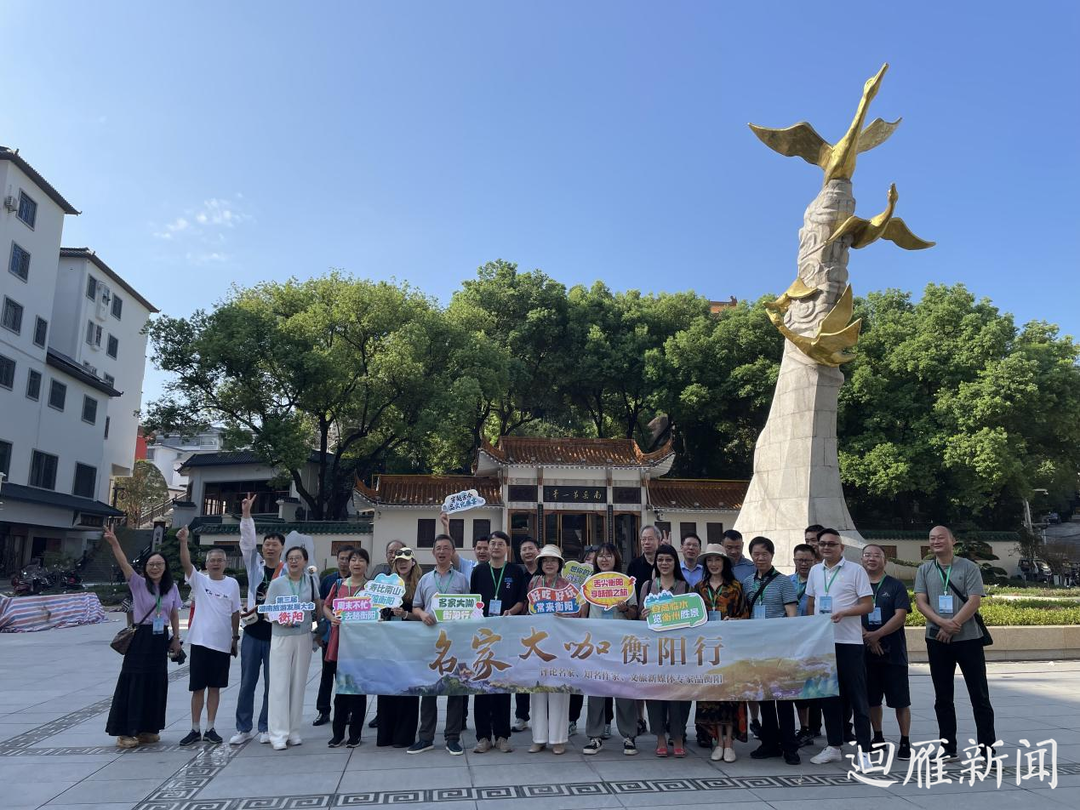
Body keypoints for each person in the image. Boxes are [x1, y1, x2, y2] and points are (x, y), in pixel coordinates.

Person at [232, 492, 312, 745]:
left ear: (282, 549)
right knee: (247, 681)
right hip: (254, 630)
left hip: (279, 632)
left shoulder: (289, 571)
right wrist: (246, 515)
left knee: (274, 682)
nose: (269, 547)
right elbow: (246, 543)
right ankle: (243, 727)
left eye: (275, 544)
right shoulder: (254, 563)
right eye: (266, 543)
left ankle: (267, 726)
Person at [914, 525, 995, 760]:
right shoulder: (925, 569)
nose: (936, 541)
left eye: (941, 537)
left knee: (979, 695)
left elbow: (974, 601)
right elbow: (921, 602)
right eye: (932, 538)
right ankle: (948, 747)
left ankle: (987, 748)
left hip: (968, 639)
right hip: (936, 639)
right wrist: (942, 623)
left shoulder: (968, 567)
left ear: (953, 541)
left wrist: (953, 625)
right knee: (943, 696)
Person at [103, 527, 182, 748]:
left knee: (155, 682)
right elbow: (124, 564)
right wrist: (115, 543)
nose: (155, 568)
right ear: (145, 568)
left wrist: (176, 637)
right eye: (151, 565)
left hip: (160, 638)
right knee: (134, 681)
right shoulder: (137, 583)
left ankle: (148, 728)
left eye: (159, 564)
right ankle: (126, 732)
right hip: (141, 638)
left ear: (165, 568)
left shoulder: (171, 588)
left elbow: (174, 613)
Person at [806, 528, 874, 767]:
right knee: (829, 698)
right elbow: (812, 603)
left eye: (832, 544)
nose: (826, 547)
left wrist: (845, 612)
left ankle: (864, 750)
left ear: (841, 548)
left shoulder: (855, 570)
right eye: (822, 544)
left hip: (850, 643)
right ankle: (834, 745)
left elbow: (868, 605)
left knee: (857, 698)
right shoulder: (815, 571)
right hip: (824, 645)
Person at [177, 528, 240, 746]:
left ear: (225, 562)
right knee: (197, 688)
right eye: (212, 560)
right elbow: (186, 563)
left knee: (215, 687)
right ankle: (195, 728)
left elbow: (235, 612)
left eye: (219, 560)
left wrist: (234, 638)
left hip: (222, 644)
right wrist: (184, 542)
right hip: (201, 642)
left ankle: (211, 727)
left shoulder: (232, 584)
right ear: (206, 563)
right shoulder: (200, 581)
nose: (215, 563)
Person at [410, 535, 471, 756]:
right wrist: (423, 614)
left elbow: (470, 608)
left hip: (455, 641)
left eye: (447, 548)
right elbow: (416, 606)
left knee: (455, 688)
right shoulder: (426, 579)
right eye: (438, 548)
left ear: (453, 551)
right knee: (429, 688)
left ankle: (452, 738)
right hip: (431, 641)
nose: (442, 551)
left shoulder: (463, 579)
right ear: (433, 552)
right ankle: (425, 737)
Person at [742, 536, 801, 765]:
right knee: (764, 698)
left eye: (764, 554)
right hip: (756, 649)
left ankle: (789, 746)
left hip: (780, 649)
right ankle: (769, 743)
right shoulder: (747, 582)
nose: (760, 558)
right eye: (756, 554)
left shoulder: (784, 582)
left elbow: (792, 615)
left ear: (772, 555)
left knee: (783, 698)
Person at [470, 531, 526, 753]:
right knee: (482, 685)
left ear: (507, 548)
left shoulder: (515, 571)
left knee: (502, 685)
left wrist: (510, 612)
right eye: (492, 543)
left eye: (500, 544)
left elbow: (522, 600)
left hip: (506, 634)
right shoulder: (478, 571)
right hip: (482, 637)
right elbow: (471, 600)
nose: (495, 547)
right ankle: (483, 736)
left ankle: (502, 736)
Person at [581, 543, 639, 756]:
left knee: (624, 691)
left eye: (608, 556)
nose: (604, 559)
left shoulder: (626, 583)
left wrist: (624, 608)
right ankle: (594, 736)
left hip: (621, 644)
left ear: (616, 558)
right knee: (596, 691)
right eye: (600, 556)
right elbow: (582, 614)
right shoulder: (589, 583)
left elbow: (635, 613)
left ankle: (628, 736)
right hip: (596, 644)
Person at [695, 544, 748, 762]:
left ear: (724, 562)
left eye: (717, 560)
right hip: (707, 650)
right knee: (711, 696)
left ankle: (729, 742)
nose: (714, 564)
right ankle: (717, 740)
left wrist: (734, 621)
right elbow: (692, 617)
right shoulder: (699, 588)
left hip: (730, 649)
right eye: (710, 560)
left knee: (729, 696)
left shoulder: (735, 587)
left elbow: (746, 615)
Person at [266, 545, 322, 750]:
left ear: (305, 561)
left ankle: (294, 730)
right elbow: (267, 611)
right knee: (279, 685)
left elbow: (316, 606)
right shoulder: (278, 583)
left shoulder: (311, 580)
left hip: (303, 635)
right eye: (290, 558)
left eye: (298, 558)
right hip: (282, 635)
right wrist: (281, 619)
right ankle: (278, 734)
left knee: (298, 684)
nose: (294, 561)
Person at [861, 544, 913, 760]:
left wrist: (877, 635)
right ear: (862, 560)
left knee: (900, 700)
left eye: (877, 555)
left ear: (885, 560)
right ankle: (878, 736)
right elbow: (849, 613)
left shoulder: (895, 586)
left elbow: (901, 616)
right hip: (865, 651)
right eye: (867, 555)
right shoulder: (858, 585)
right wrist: (868, 637)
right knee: (872, 699)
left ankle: (904, 740)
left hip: (893, 652)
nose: (872, 559)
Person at [640, 543, 692, 757]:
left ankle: (678, 737)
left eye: (668, 560)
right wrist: (641, 616)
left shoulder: (686, 587)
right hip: (653, 652)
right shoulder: (647, 586)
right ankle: (660, 738)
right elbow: (637, 620)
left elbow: (694, 619)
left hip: (679, 652)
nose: (664, 563)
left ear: (675, 562)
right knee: (655, 695)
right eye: (660, 560)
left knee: (679, 696)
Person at [526, 545, 573, 755]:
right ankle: (538, 738)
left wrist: (566, 618)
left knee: (559, 690)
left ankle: (558, 739)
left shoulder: (568, 585)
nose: (549, 564)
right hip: (538, 642)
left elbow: (576, 614)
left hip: (560, 645)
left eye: (553, 560)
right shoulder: (534, 583)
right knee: (537, 691)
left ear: (560, 564)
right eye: (545, 561)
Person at [377, 547, 423, 748]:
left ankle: (403, 736)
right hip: (387, 642)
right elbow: (375, 609)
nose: (402, 564)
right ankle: (385, 734)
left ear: (413, 562)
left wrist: (405, 614)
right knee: (387, 687)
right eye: (398, 561)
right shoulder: (384, 584)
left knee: (408, 688)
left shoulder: (420, 585)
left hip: (410, 644)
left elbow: (422, 615)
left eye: (406, 560)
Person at [323, 548, 370, 748]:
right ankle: (338, 734)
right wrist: (332, 617)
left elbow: (378, 612)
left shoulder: (372, 587)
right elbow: (326, 606)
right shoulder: (339, 584)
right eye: (353, 560)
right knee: (341, 691)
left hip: (361, 646)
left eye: (361, 560)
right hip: (339, 643)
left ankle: (355, 734)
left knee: (358, 691)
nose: (356, 564)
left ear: (366, 564)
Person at [314, 546, 354, 727]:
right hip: (330, 636)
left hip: (352, 640)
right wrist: (319, 632)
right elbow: (322, 607)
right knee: (327, 675)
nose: (345, 562)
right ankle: (323, 711)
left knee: (346, 677)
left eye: (348, 559)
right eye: (342, 558)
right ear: (337, 559)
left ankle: (346, 712)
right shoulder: (329, 580)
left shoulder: (360, 582)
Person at [791, 543, 822, 747]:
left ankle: (812, 727)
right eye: (799, 560)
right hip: (793, 642)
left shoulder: (821, 582)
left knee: (814, 686)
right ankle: (803, 727)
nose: (803, 564)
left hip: (815, 641)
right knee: (796, 686)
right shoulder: (786, 582)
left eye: (807, 561)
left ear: (814, 561)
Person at [513, 536, 541, 732]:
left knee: (542, 673)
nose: (527, 552)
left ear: (538, 551)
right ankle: (522, 716)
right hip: (522, 629)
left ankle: (543, 717)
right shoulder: (518, 574)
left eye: (531, 548)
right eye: (524, 549)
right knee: (521, 673)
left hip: (544, 631)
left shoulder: (547, 572)